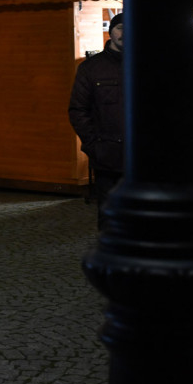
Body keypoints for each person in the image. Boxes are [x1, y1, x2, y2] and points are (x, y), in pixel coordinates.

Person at [68, 13, 125, 229]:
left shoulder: (147, 65)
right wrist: (94, 145)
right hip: (107, 156)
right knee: (110, 218)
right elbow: (78, 110)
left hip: (143, 156)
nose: (125, 33)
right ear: (111, 31)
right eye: (120, 28)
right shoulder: (91, 68)